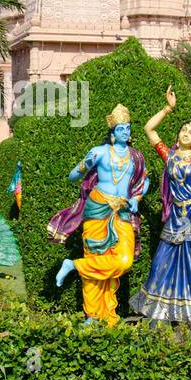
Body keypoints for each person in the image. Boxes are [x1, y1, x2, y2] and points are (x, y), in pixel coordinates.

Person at [129, 86, 191, 323]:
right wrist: (168, 109)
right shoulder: (169, 155)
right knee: (162, 260)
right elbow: (148, 129)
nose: (186, 133)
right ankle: (161, 309)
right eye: (184, 129)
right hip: (177, 214)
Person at [49, 104, 149, 327]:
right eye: (121, 128)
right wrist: (85, 164)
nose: (126, 131)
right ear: (112, 133)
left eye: (128, 127)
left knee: (124, 261)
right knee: (95, 261)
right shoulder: (100, 152)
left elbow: (144, 181)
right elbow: (73, 176)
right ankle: (94, 316)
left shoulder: (136, 156)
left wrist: (137, 199)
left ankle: (73, 265)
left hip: (122, 210)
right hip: (97, 207)